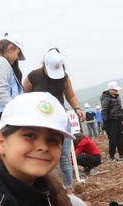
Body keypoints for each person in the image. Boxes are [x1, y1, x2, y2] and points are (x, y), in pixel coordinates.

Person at [23, 48, 86, 192]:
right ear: (45, 65)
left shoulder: (64, 77)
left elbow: (70, 96)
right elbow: (24, 95)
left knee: (64, 155)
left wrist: (77, 109)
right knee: (43, 154)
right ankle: (47, 190)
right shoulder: (33, 76)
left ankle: (68, 189)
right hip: (40, 121)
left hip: (60, 119)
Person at [100, 81, 123, 162]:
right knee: (113, 139)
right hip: (110, 122)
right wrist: (105, 122)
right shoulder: (105, 98)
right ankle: (111, 156)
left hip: (118, 120)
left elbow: (120, 108)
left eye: (117, 90)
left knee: (121, 137)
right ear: (110, 89)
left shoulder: (117, 97)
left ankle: (122, 155)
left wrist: (122, 118)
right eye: (115, 90)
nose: (116, 91)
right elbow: (104, 110)